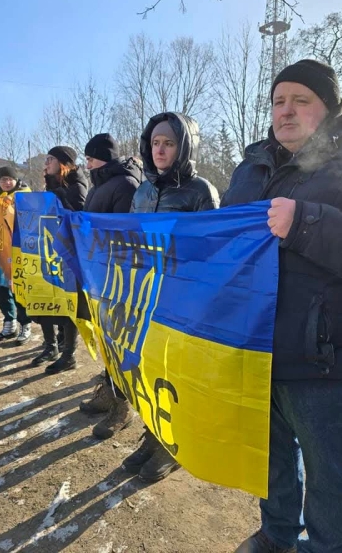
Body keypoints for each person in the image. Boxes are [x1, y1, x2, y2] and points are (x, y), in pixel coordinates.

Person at [220, 59, 342, 553]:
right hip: (255, 350)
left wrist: (306, 222)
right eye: (279, 101)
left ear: (330, 108)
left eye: (301, 100)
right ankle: (277, 537)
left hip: (323, 358)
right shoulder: (252, 165)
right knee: (271, 461)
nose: (286, 111)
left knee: (332, 476)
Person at [117, 112, 220, 484]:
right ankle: (153, 434)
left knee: (175, 374)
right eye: (155, 143)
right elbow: (130, 238)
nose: (160, 150)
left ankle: (172, 445)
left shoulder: (201, 191)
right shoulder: (142, 192)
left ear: (184, 146)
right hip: (145, 298)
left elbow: (211, 251)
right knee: (148, 369)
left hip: (182, 301)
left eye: (169, 143)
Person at [77, 133, 143, 434]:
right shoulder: (100, 183)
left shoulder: (125, 184)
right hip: (98, 275)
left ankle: (122, 408)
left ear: (104, 157)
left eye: (91, 158)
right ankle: (108, 392)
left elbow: (124, 236)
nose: (87, 163)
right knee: (106, 341)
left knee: (119, 344)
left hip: (117, 278)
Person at [31, 146, 87, 374]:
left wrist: (59, 197)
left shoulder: (77, 186)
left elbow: (81, 216)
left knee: (69, 303)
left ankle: (69, 354)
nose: (46, 163)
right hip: (48, 252)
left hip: (70, 256)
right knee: (45, 297)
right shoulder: (51, 185)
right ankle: (50, 346)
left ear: (64, 163)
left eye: (50, 159)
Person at [0, 167, 33, 345]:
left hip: (19, 249)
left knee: (19, 289)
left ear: (16, 180)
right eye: (3, 180)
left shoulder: (25, 196)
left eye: (9, 179)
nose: (6, 182)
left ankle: (26, 324)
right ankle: (10, 322)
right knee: (0, 287)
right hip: (0, 249)